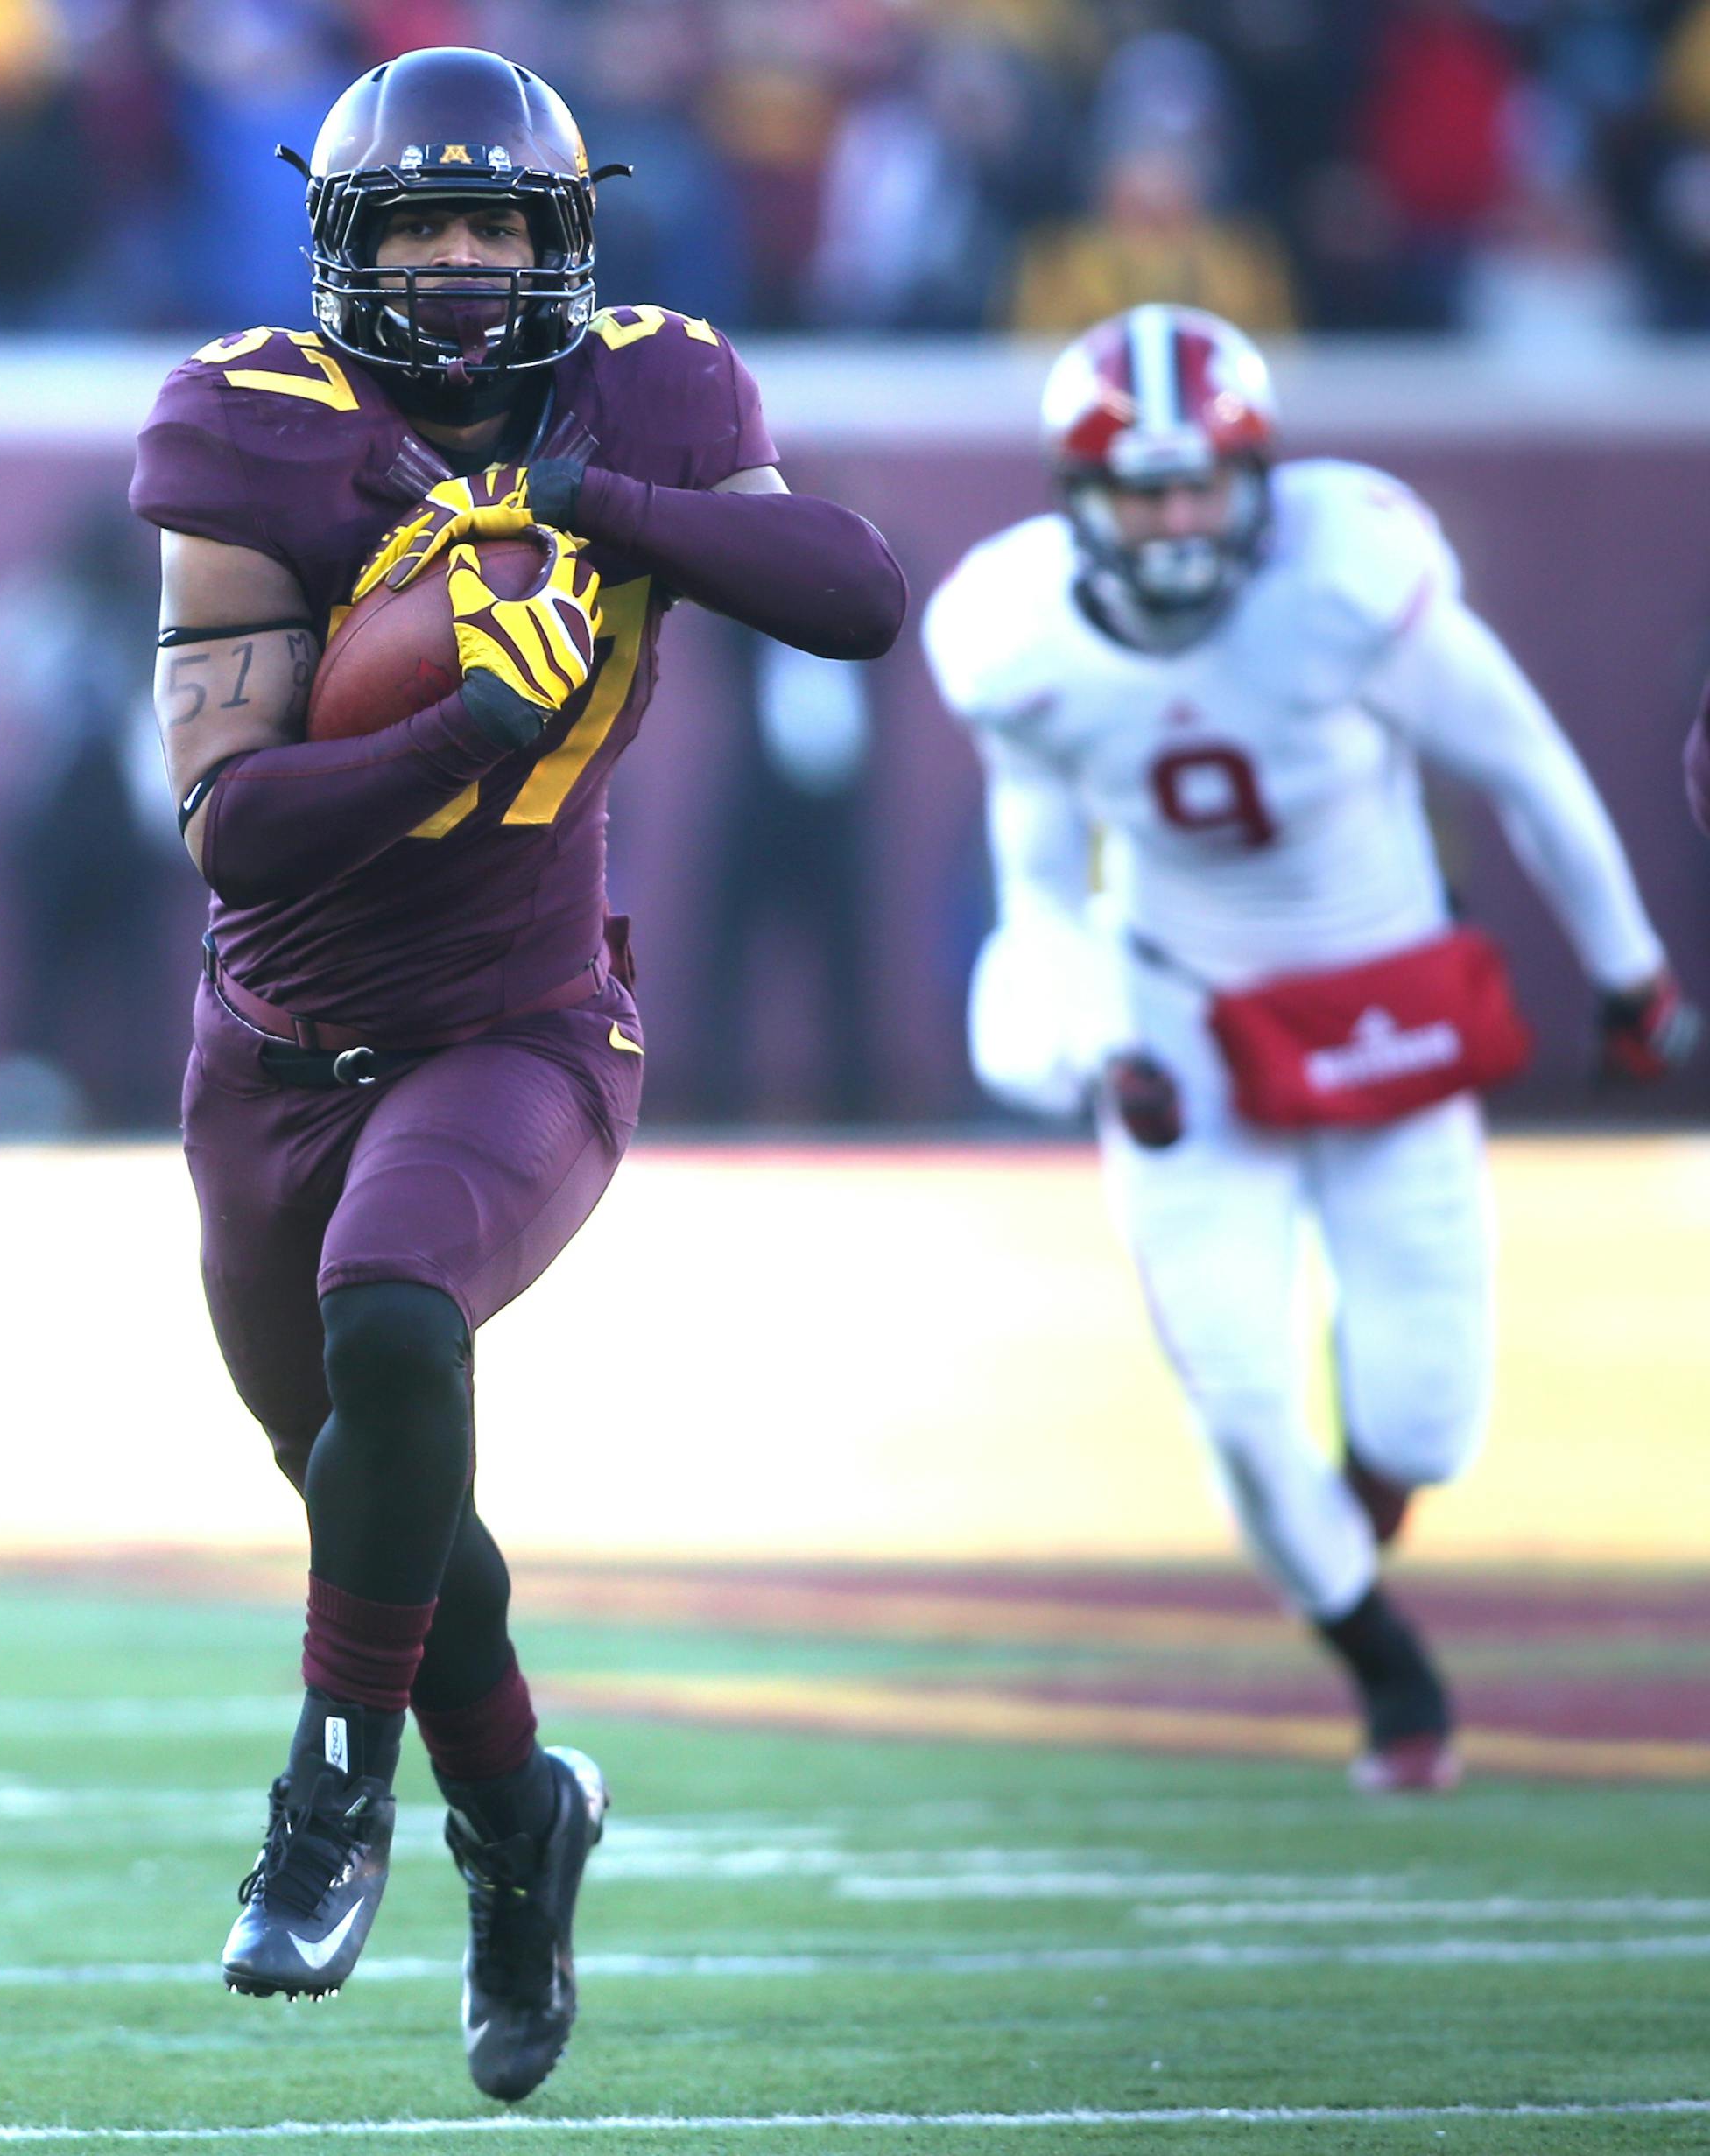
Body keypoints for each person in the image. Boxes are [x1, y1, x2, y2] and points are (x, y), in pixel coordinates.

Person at [129, 46, 904, 2103]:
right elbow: (233, 822)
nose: (464, 265)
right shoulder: (255, 427)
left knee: (397, 1317)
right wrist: (463, 724)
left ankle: (329, 1799)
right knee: (372, 1478)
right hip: (274, 1053)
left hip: (525, 1023)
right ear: (345, 250)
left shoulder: (649, 392)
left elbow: (856, 596)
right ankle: (515, 1817)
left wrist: (582, 504)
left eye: (498, 224)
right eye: (421, 227)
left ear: (568, 242)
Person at [922, 304, 1695, 1794]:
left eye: (1199, 482)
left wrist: (1631, 972)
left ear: (1259, 478)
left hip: (1383, 1005)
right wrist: (1093, 1053)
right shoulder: (1018, 643)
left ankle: (1353, 1530)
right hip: (1185, 1023)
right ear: (1081, 500)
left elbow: (1522, 762)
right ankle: (1383, 1666)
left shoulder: (1350, 583)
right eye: (1144, 489)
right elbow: (1036, 902)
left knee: (1422, 1419)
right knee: (1238, 1387)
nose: (1176, 518)